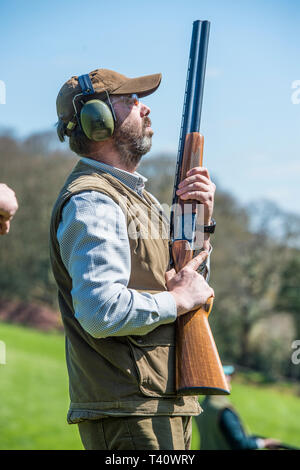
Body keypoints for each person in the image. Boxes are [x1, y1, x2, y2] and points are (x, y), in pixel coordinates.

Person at [50, 68, 216, 450]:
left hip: (159, 404)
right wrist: (175, 302)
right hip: (131, 413)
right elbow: (100, 311)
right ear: (97, 121)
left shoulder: (139, 199)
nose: (145, 109)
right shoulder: (93, 200)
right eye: (131, 100)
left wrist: (199, 221)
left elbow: (189, 282)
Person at [195, 365, 282, 450]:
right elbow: (240, 444)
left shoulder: (202, 405)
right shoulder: (223, 409)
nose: (229, 378)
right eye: (225, 375)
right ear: (216, 379)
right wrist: (264, 443)